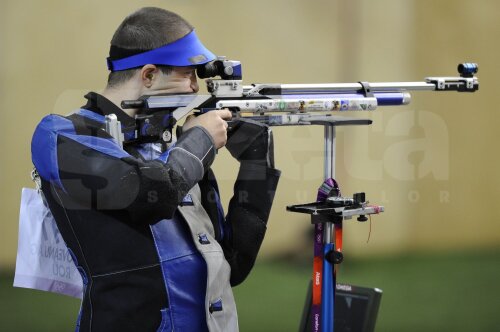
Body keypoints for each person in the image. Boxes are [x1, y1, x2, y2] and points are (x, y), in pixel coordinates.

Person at [31, 7, 280, 332]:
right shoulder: (61, 134)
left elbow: (231, 265)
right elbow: (151, 194)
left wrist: (256, 162)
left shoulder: (175, 146)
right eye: (188, 74)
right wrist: (201, 138)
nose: (195, 88)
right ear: (148, 75)